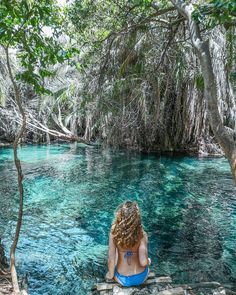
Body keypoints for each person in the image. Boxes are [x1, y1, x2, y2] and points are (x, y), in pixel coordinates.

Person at [106, 200, 150, 287]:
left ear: (120, 215)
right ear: (137, 218)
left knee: (117, 253)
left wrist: (110, 275)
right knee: (146, 260)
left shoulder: (114, 232)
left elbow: (111, 258)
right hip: (140, 278)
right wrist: (148, 261)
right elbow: (144, 263)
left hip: (122, 278)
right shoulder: (142, 234)